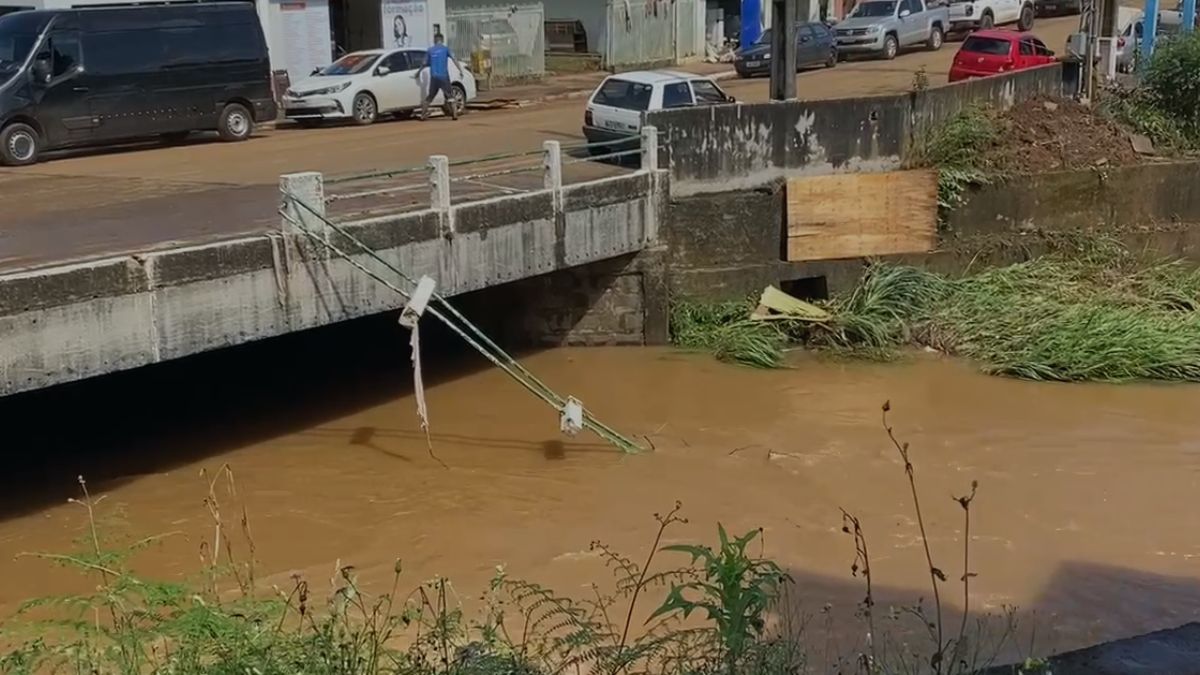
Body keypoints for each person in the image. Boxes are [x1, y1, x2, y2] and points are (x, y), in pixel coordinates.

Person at [417, 33, 461, 121]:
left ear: (435, 40)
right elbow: (454, 59)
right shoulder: (445, 49)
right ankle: (455, 114)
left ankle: (422, 115)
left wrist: (418, 72)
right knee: (450, 96)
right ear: (442, 40)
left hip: (434, 76)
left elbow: (424, 63)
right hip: (444, 76)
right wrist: (460, 69)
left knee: (430, 96)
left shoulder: (430, 50)